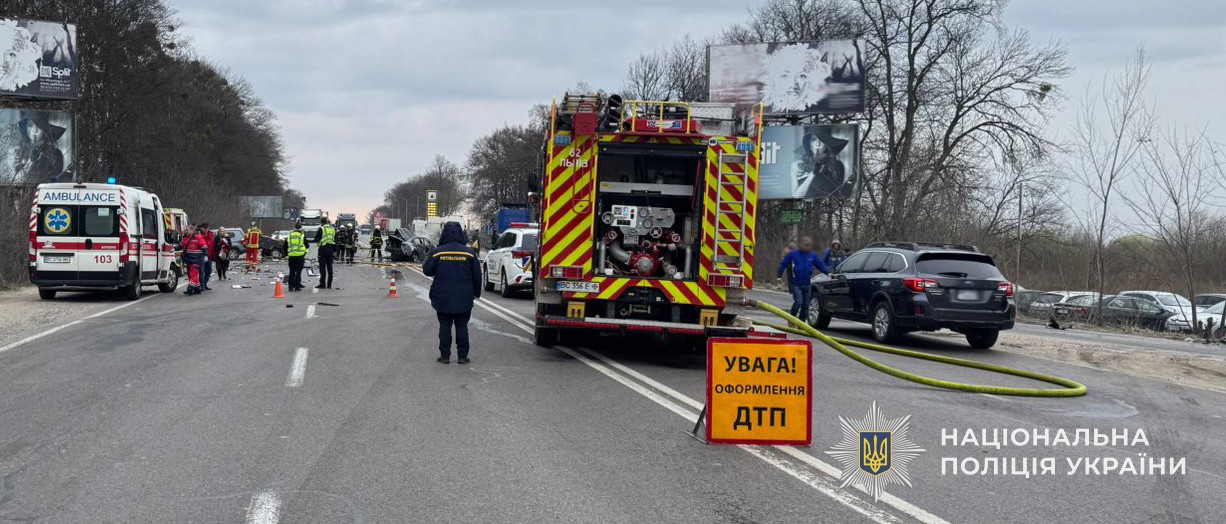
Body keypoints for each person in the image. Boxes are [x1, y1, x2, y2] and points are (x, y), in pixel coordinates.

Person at [422, 222, 481, 364]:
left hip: (442, 296)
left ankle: (445, 356)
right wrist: (476, 294)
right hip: (464, 297)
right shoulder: (469, 253)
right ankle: (462, 356)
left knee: (445, 325)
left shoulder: (438, 252)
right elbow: (477, 276)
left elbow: (427, 270)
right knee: (462, 325)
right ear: (461, 233)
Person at [777, 236, 829, 322]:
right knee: (798, 302)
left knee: (805, 305)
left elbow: (819, 264)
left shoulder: (812, 255)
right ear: (801, 245)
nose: (807, 247)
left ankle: (801, 323)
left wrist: (828, 273)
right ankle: (791, 319)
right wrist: (779, 275)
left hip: (807, 283)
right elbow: (784, 263)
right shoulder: (793, 254)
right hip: (795, 282)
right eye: (806, 245)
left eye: (809, 245)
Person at [182, 226, 207, 296]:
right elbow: (182, 245)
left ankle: (190, 288)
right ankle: (197, 288)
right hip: (189, 259)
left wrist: (205, 255)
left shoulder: (198, 237)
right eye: (185, 230)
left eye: (187, 230)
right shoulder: (187, 238)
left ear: (192, 230)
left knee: (193, 274)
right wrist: (174, 248)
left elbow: (204, 246)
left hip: (196, 259)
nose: (186, 231)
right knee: (191, 274)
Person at [313, 218, 336, 289]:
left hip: (323, 249)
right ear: (328, 222)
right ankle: (329, 284)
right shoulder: (332, 229)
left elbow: (316, 239)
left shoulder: (321, 229)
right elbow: (335, 240)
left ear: (322, 223)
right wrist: (334, 252)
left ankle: (322, 284)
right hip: (330, 249)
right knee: (330, 267)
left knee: (322, 268)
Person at [286, 223, 308, 291]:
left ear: (294, 228)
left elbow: (285, 245)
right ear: (301, 228)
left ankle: (290, 286)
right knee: (298, 272)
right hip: (300, 256)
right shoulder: (302, 236)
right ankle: (297, 286)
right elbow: (307, 245)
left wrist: (287, 253)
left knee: (291, 271)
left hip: (291, 256)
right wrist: (304, 252)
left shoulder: (289, 236)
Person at [199, 222, 215, 291]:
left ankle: (205, 283)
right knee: (201, 271)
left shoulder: (211, 235)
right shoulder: (199, 235)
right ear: (201, 228)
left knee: (209, 270)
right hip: (201, 255)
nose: (206, 229)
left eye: (207, 228)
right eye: (204, 228)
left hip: (209, 256)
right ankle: (202, 285)